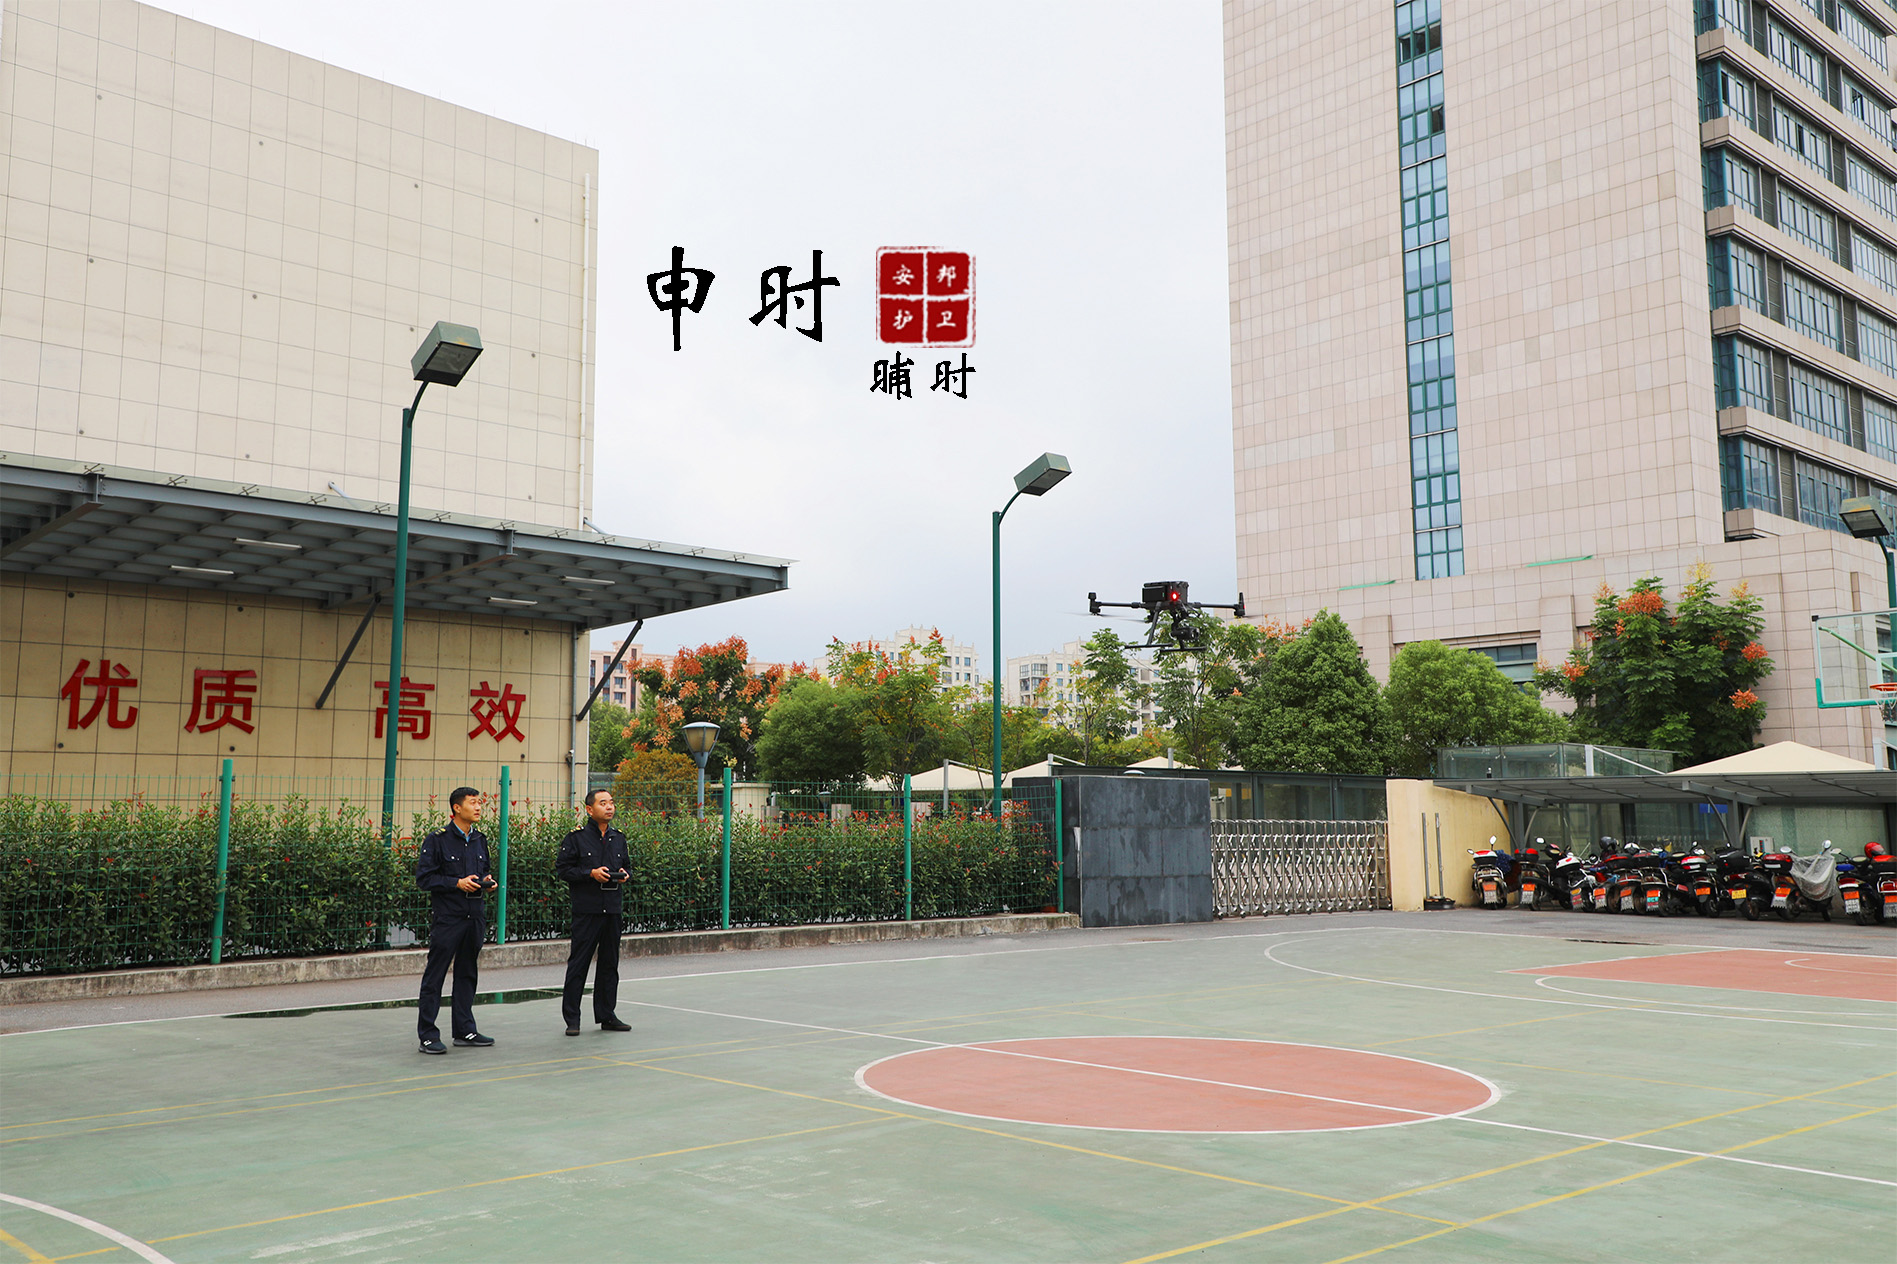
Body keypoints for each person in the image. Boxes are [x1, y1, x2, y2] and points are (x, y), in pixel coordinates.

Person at [415, 786, 497, 1055]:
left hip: (474, 916)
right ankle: (428, 1035)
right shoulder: (437, 840)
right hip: (449, 918)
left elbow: (483, 871)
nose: (478, 807)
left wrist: (486, 882)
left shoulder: (480, 839)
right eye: (472, 803)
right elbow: (424, 878)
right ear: (456, 808)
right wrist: (456, 883)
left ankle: (464, 1030)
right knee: (435, 975)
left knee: (467, 973)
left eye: (479, 803)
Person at [556, 789, 633, 1036]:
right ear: (589, 809)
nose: (609, 807)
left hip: (612, 909)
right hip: (587, 910)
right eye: (603, 803)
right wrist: (590, 873)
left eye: (611, 803)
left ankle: (607, 1015)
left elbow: (627, 866)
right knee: (579, 964)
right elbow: (563, 870)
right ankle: (572, 1019)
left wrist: (625, 875)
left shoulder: (618, 838)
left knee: (609, 964)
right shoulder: (576, 838)